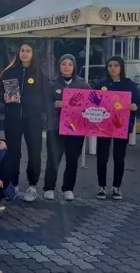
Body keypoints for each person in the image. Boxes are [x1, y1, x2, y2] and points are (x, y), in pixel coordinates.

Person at [0, 42, 51, 202]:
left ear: (33, 53)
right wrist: (4, 98)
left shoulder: (39, 74)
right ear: (18, 53)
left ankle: (32, 187)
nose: (25, 53)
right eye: (22, 50)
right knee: (13, 153)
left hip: (33, 120)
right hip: (12, 119)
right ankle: (13, 185)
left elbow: (45, 97)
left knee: (34, 152)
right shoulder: (8, 72)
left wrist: (40, 111)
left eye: (28, 51)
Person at [43, 54, 90, 201]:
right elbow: (43, 104)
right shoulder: (51, 84)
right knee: (53, 159)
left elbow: (92, 103)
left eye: (70, 64)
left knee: (72, 159)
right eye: (64, 63)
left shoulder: (82, 84)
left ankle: (68, 188)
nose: (67, 67)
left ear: (74, 66)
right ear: (59, 66)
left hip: (76, 129)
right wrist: (53, 105)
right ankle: (49, 187)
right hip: (55, 127)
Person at [94, 56, 140, 200]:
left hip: (122, 127)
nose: (113, 68)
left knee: (119, 157)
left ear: (121, 67)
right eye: (110, 65)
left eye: (116, 65)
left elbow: (138, 105)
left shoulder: (130, 85)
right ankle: (101, 187)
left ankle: (116, 187)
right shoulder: (101, 84)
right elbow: (93, 103)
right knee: (102, 157)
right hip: (103, 127)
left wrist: (134, 107)